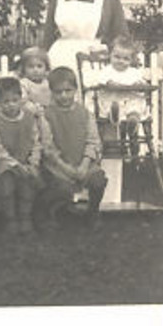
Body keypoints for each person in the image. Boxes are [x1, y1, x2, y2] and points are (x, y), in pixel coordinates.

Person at [42, 66, 107, 226]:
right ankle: (49, 211)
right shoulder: (46, 115)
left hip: (84, 164)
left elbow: (93, 141)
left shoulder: (85, 114)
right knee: (62, 188)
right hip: (59, 167)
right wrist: (67, 169)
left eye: (68, 90)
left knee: (98, 180)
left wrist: (85, 165)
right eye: (58, 92)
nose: (64, 96)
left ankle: (92, 212)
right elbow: (48, 147)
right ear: (52, 92)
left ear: (76, 90)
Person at [0, 76, 44, 235]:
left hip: (27, 162)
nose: (11, 105)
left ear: (21, 99)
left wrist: (33, 162)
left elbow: (36, 142)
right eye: (6, 101)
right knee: (6, 187)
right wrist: (16, 165)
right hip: (6, 165)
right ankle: (10, 218)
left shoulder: (29, 118)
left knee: (28, 187)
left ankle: (25, 217)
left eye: (14, 100)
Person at [93, 36, 152, 159]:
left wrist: (140, 85)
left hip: (129, 102)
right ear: (110, 55)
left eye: (125, 59)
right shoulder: (107, 71)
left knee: (135, 104)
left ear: (131, 60)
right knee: (113, 103)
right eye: (117, 57)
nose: (120, 61)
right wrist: (110, 83)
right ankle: (114, 115)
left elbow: (142, 85)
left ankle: (133, 122)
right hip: (113, 101)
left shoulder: (134, 72)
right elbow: (102, 81)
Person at [16, 46, 52, 112]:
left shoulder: (48, 82)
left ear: (46, 68)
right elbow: (23, 101)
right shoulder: (24, 84)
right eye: (31, 66)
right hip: (32, 114)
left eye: (39, 66)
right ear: (23, 69)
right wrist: (34, 108)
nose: (35, 70)